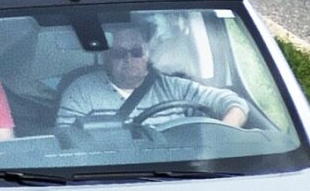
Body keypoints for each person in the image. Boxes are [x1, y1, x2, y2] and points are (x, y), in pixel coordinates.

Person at [57, 22, 248, 129]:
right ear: (107, 58)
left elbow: (234, 103)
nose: (129, 59)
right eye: (120, 53)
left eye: (136, 52)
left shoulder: (175, 88)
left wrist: (226, 132)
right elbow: (65, 142)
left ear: (147, 54)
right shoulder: (80, 92)